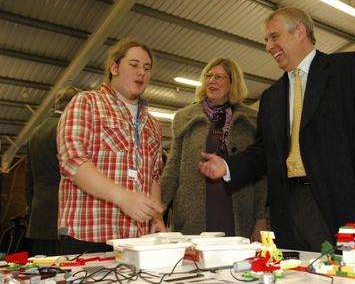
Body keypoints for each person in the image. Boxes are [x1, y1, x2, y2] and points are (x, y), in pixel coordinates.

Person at [199, 7, 355, 256]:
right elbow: (264, 151)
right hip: (290, 211)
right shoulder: (271, 97)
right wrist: (228, 168)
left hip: (344, 206)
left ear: (300, 32)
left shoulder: (348, 69)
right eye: (266, 40)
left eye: (274, 37)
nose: (268, 46)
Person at [57, 39, 165, 254]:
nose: (141, 72)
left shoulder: (153, 124)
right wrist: (123, 197)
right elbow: (72, 161)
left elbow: (154, 177)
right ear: (114, 68)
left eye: (146, 68)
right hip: (89, 235)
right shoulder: (86, 102)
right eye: (133, 65)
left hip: (137, 240)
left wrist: (156, 217)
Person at [161, 58, 267, 240]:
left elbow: (261, 175)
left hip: (239, 214)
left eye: (219, 77)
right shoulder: (184, 118)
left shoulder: (251, 121)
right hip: (193, 216)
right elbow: (172, 170)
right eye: (208, 76)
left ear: (232, 83)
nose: (211, 81)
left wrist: (262, 218)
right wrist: (157, 209)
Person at [26, 86, 80, 256]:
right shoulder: (66, 130)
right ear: (73, 106)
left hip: (38, 218)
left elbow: (29, 180)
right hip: (62, 218)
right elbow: (75, 172)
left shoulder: (34, 133)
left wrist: (32, 206)